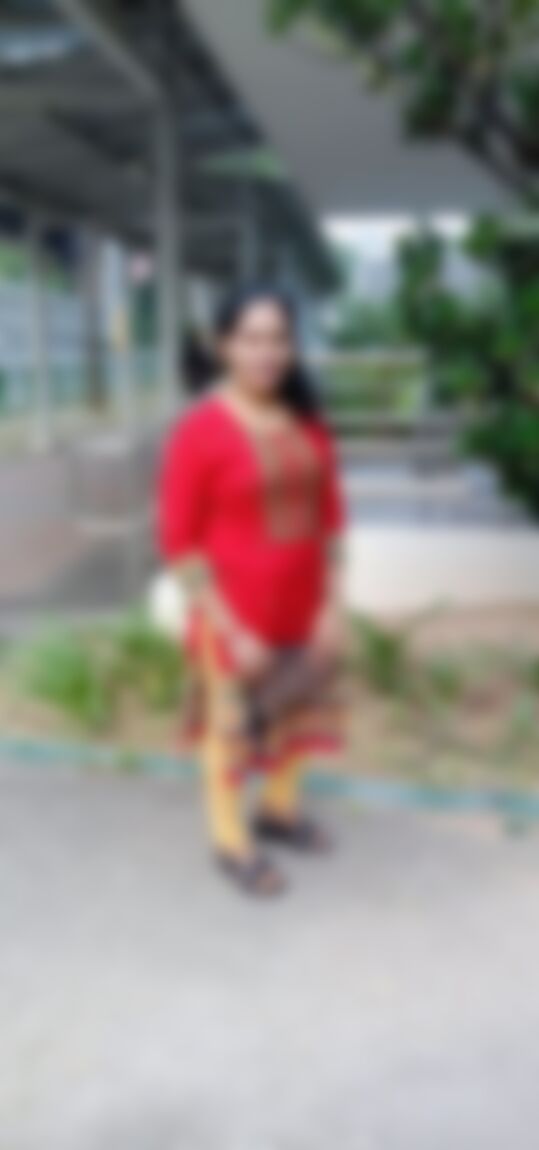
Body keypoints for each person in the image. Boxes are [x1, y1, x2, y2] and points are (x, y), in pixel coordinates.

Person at [158, 284, 346, 897]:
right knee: (232, 732)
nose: (267, 352)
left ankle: (278, 812)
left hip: (305, 611)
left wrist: (332, 607)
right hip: (233, 617)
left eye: (279, 338)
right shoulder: (199, 431)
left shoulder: (309, 422)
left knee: (297, 716)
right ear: (224, 346)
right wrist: (232, 631)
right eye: (252, 338)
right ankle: (230, 840)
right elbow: (179, 542)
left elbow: (332, 519)